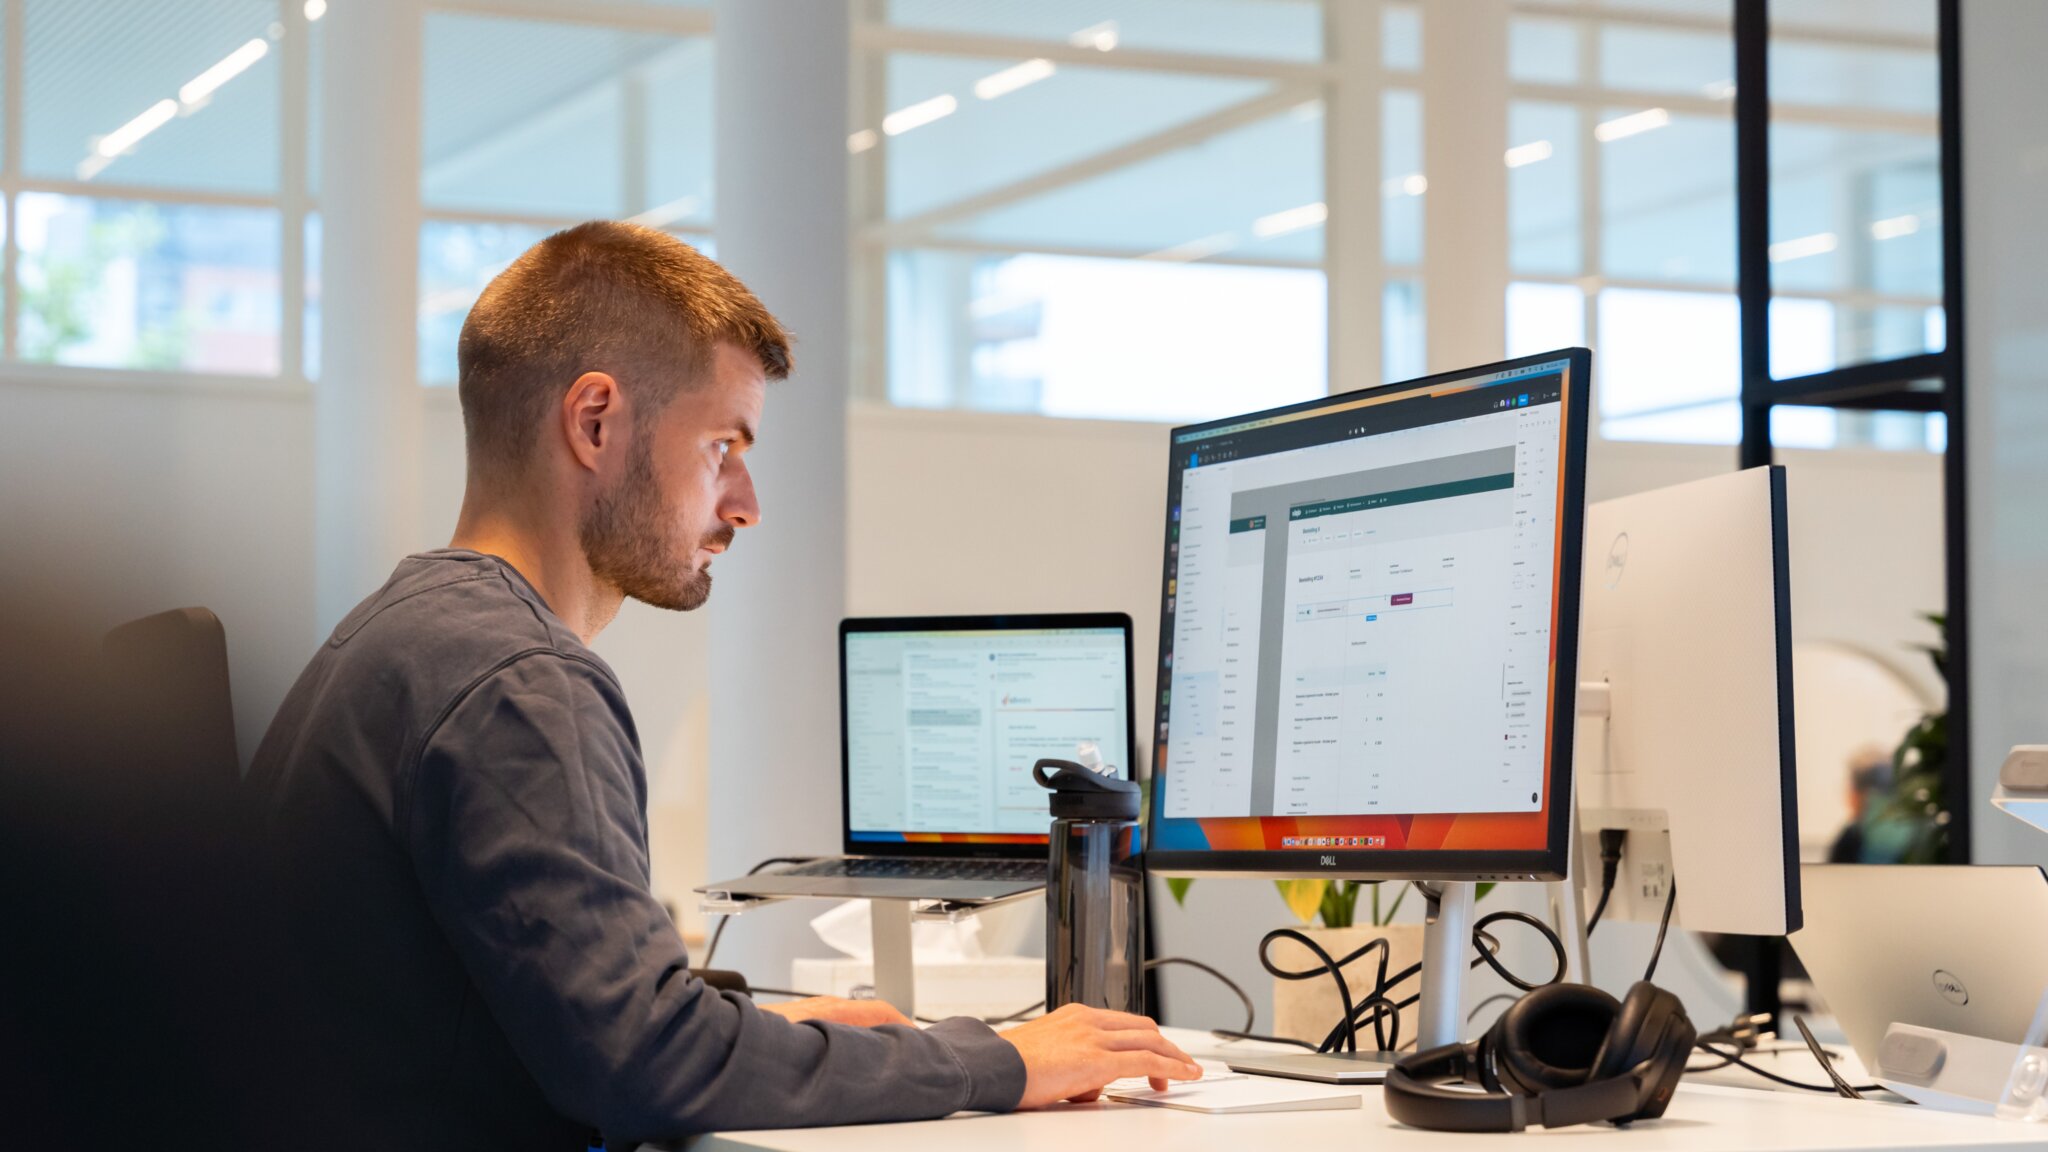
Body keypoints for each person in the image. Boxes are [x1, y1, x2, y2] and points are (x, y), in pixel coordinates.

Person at [241, 221, 1199, 1150]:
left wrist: (763, 1039)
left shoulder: (405, 633)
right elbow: (649, 1065)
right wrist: (992, 1060)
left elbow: (556, 1020)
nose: (745, 504)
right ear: (595, 421)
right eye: (721, 450)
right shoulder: (523, 683)